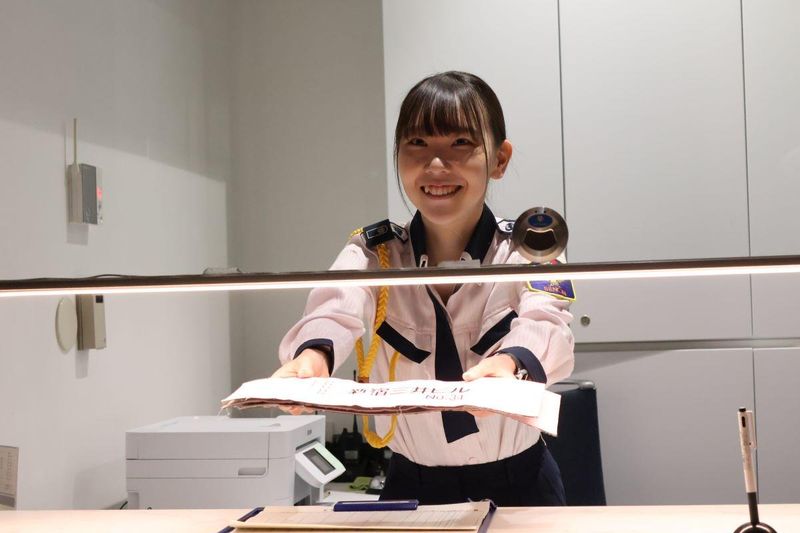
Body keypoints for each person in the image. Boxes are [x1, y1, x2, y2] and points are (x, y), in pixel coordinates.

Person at [272, 71, 575, 506]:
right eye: (417, 142)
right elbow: (334, 310)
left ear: (499, 159)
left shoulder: (528, 249)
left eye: (460, 143)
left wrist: (511, 363)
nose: (435, 164)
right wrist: (311, 358)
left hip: (521, 483)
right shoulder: (375, 253)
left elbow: (548, 323)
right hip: (412, 484)